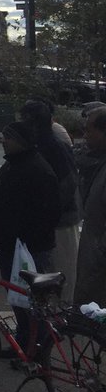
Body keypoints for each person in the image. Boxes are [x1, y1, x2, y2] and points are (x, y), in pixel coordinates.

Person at [0, 122, 60, 358]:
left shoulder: (38, 169)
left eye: (9, 137)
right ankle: (24, 342)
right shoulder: (12, 164)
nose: (4, 141)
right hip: (10, 244)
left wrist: (25, 240)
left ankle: (38, 348)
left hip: (29, 249)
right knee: (17, 298)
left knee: (34, 302)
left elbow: (49, 213)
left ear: (22, 141)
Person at [21, 98, 80, 293]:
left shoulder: (54, 146)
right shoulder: (35, 144)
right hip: (44, 221)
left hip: (60, 221)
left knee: (62, 272)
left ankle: (66, 309)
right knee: (46, 272)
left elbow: (68, 183)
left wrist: (50, 211)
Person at [75, 108, 106, 304]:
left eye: (88, 130)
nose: (84, 136)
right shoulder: (96, 163)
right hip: (93, 258)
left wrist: (99, 254)